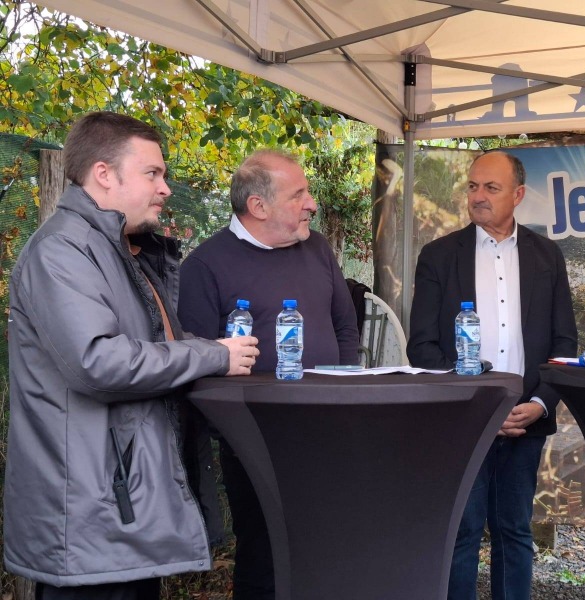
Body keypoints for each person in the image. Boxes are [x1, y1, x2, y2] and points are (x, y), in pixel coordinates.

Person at [3, 112, 260, 600]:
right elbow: (98, 363)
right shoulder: (61, 252)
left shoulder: (124, 253)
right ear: (104, 174)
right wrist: (212, 355)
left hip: (121, 519)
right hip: (90, 526)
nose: (165, 188)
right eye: (153, 174)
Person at [177, 149, 359, 600]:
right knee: (263, 558)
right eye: (299, 194)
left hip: (328, 430)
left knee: (327, 550)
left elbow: (344, 326)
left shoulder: (317, 248)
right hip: (255, 442)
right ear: (258, 207)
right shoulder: (204, 267)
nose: (312, 204)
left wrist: (348, 394)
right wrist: (235, 434)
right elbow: (194, 366)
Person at [407, 151, 578, 600]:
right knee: (461, 534)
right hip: (464, 419)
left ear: (518, 195)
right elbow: (422, 347)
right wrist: (479, 402)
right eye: (472, 186)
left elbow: (564, 345)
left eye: (491, 188)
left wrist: (538, 403)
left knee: (514, 532)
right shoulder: (440, 256)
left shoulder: (547, 256)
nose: (478, 197)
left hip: (527, 417)